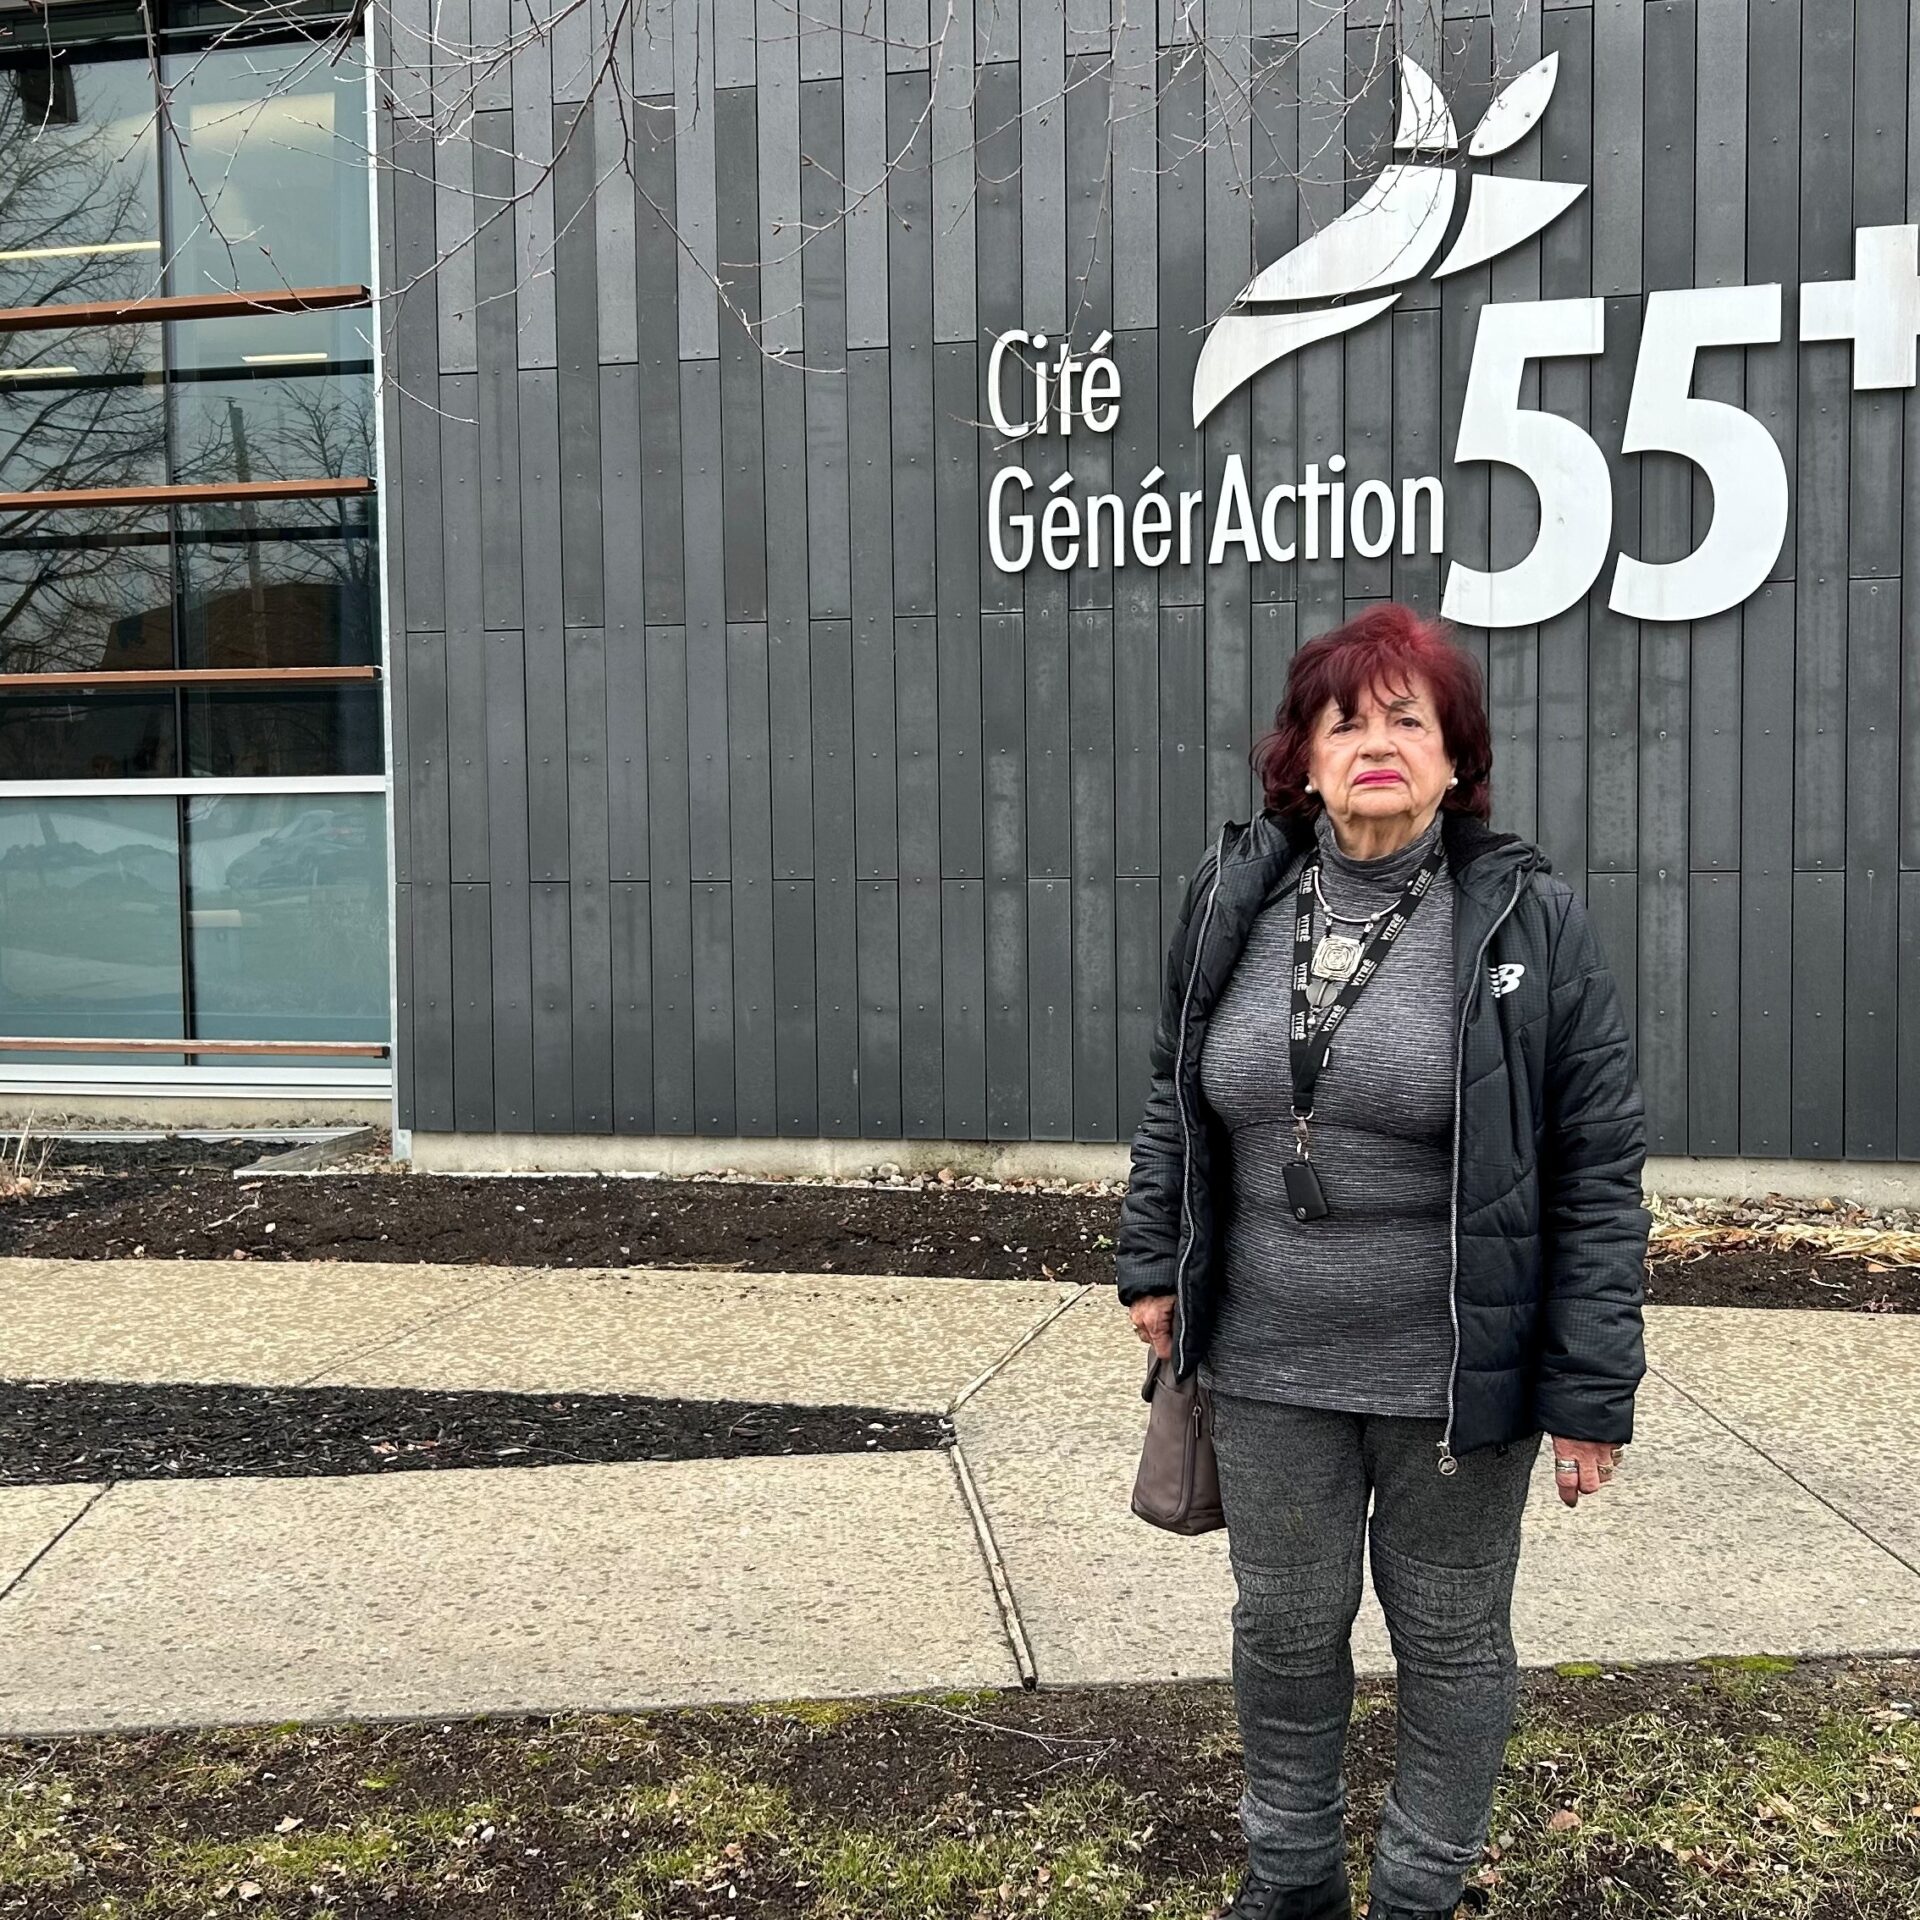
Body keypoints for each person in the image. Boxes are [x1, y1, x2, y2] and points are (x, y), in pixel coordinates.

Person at [1115, 604, 1648, 1920]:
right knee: (1284, 1634)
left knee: (1451, 1642)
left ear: (1457, 761)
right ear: (1298, 758)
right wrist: (1150, 1256)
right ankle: (1291, 1881)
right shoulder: (1233, 894)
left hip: (1451, 1378)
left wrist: (1591, 1390)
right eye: (1344, 719)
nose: (1375, 743)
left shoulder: (1528, 921)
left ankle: (1416, 1891)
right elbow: (1175, 1093)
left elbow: (1597, 1165)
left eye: (1409, 719)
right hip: (1267, 1363)